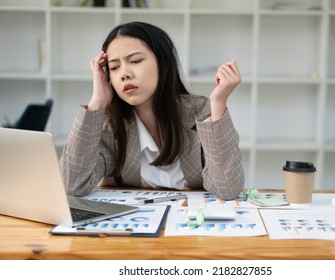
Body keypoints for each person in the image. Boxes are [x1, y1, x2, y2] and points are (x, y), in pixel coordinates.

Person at [59, 21, 244, 200]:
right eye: (114, 67)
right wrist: (97, 103)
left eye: (135, 60)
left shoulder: (200, 111)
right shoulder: (110, 123)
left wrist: (219, 103)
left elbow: (227, 188)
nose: (124, 73)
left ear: (162, 63)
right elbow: (72, 185)